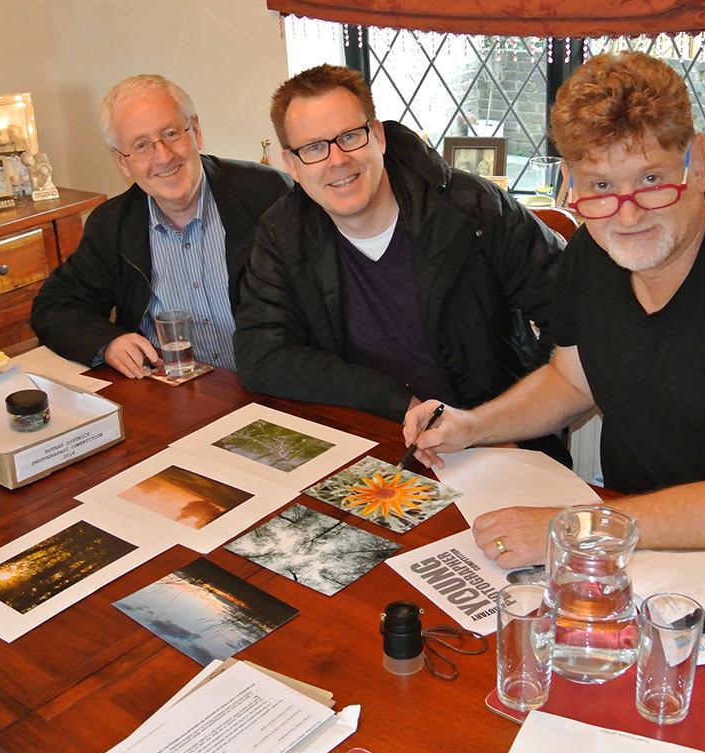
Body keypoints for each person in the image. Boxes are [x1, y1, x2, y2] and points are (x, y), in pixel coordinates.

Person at [405, 52, 705, 753]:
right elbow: (571, 378)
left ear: (697, 157)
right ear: (572, 185)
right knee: (533, 716)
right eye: (600, 188)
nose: (625, 213)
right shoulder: (595, 253)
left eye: (651, 180)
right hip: (643, 530)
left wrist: (576, 529)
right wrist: (472, 424)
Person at [233, 65, 565, 461]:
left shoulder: (474, 208)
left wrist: (501, 420)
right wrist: (397, 402)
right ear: (291, 164)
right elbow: (261, 355)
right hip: (373, 441)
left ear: (378, 136)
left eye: (350, 137)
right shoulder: (283, 231)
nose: (336, 161)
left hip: (495, 444)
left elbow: (573, 316)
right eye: (313, 148)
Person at [30, 74, 292, 378]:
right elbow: (54, 306)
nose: (163, 156)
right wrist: (109, 341)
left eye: (171, 133)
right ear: (122, 162)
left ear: (196, 131)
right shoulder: (112, 225)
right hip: (170, 392)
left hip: (270, 387)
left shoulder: (266, 193)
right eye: (141, 146)